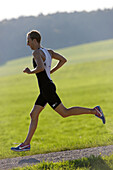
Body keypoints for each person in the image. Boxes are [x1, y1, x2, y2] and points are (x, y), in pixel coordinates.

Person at [11, 30, 105, 152]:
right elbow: (63, 60)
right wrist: (50, 71)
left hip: (47, 89)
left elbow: (39, 68)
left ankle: (94, 111)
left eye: (28, 41)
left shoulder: (36, 53)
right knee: (33, 114)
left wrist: (30, 72)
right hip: (46, 88)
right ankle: (26, 144)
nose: (27, 44)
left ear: (35, 40)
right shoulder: (48, 52)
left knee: (64, 112)